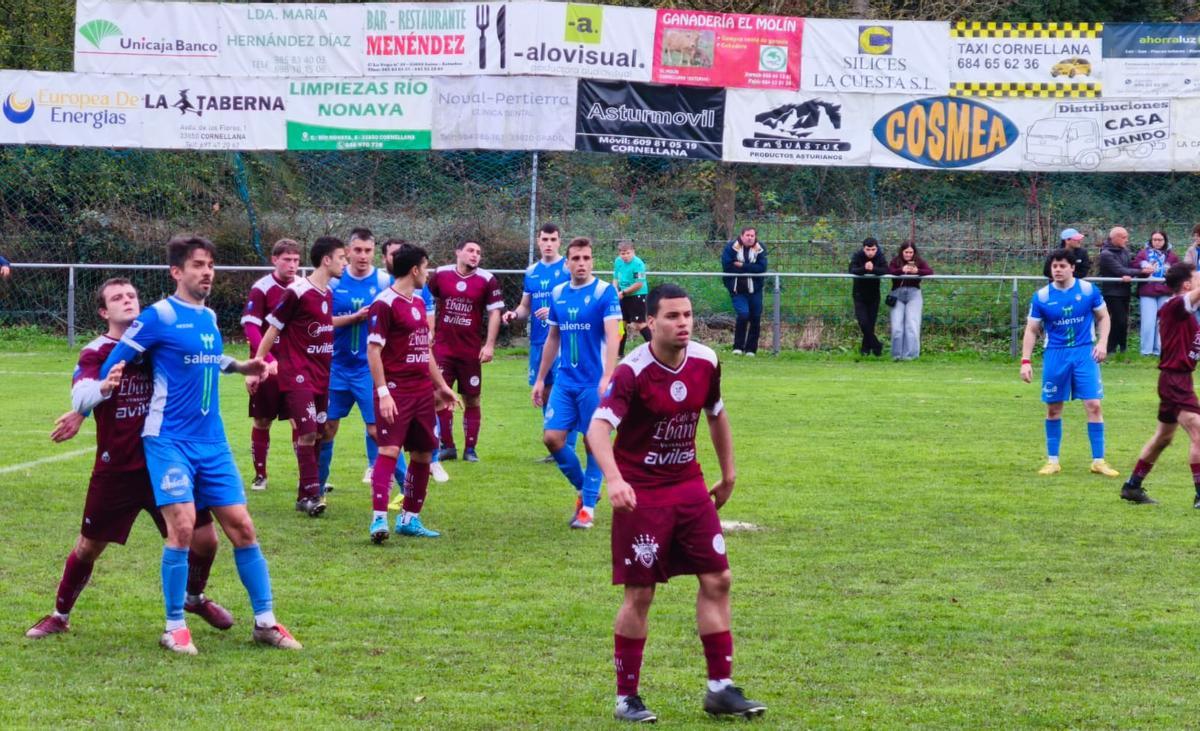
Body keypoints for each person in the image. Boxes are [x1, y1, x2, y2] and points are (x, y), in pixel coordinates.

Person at [100, 234, 299, 655]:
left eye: (210, 264)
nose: (207, 272)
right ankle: (174, 626)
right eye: (197, 265)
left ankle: (265, 623)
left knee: (243, 528)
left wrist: (242, 365)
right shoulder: (158, 316)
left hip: (213, 442)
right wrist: (103, 384)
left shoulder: (207, 318)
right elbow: (114, 358)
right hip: (168, 439)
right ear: (177, 272)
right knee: (184, 527)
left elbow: (209, 358)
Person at [587, 283, 766, 723]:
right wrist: (614, 480)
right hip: (642, 492)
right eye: (672, 316)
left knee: (718, 578)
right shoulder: (632, 371)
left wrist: (729, 473)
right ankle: (627, 697)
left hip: (688, 486)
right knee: (641, 591)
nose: (683, 322)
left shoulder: (706, 360)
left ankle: (720, 688)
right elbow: (596, 430)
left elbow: (716, 413)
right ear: (649, 323)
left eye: (687, 315)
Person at [27, 278, 231, 639]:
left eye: (133, 296)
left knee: (206, 540)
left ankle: (194, 598)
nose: (128, 301)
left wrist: (245, 368)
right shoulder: (96, 352)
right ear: (104, 311)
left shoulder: (160, 342)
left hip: (169, 460)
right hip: (118, 466)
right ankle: (59, 614)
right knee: (89, 546)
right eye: (117, 298)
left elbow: (204, 361)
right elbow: (81, 391)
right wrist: (94, 397)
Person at [366, 242, 461, 542]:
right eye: (426, 266)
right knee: (389, 451)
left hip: (422, 393)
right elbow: (373, 350)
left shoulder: (419, 302)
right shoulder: (385, 303)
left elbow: (425, 350)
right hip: (396, 391)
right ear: (415, 269)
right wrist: (383, 392)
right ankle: (378, 519)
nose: (428, 272)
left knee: (422, 454)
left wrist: (442, 387)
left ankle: (410, 518)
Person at [254, 237, 348, 518]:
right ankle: (311, 495)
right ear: (326, 260)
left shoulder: (327, 294)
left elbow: (320, 329)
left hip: (321, 375)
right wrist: (259, 364)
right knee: (307, 432)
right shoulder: (297, 291)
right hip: (297, 375)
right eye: (342, 257)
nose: (346, 263)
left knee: (318, 433)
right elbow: (272, 328)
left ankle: (304, 494)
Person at [533, 236, 621, 530]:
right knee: (552, 438)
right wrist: (541, 378)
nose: (581, 263)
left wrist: (609, 375)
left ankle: (588, 510)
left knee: (593, 441)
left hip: (593, 382)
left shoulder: (604, 293)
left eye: (586, 258)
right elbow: (553, 338)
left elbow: (613, 336)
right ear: (567, 262)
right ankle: (585, 489)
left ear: (592, 261)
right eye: (576, 259)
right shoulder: (558, 293)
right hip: (564, 381)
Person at [1020, 249, 1119, 478]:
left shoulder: (1087, 290)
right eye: (1054, 266)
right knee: (1054, 408)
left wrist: (1102, 343)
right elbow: (1032, 329)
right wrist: (1026, 361)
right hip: (1056, 354)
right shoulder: (1042, 296)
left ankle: (1098, 461)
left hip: (1085, 352)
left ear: (1072, 268)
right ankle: (1053, 461)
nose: (1058, 270)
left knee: (1094, 405)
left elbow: (1104, 317)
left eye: (1063, 266)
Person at [1119, 262, 1200, 506]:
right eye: (1197, 278)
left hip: (1176, 379)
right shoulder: (1176, 305)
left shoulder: (1183, 312)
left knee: (1163, 437)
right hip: (1175, 380)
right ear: (1186, 284)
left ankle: (1132, 486)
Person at [426, 239, 504, 462]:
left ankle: (470, 449)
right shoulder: (440, 274)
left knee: (472, 399)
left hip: (470, 352)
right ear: (458, 252)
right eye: (470, 250)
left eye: (478, 252)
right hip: (442, 349)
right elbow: (424, 301)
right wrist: (428, 331)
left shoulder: (487, 280)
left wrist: (489, 345)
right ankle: (447, 446)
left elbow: (495, 313)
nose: (475, 255)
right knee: (439, 396)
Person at [503, 223, 573, 462]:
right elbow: (525, 306)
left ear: (559, 241)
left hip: (564, 341)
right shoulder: (531, 271)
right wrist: (514, 314)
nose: (549, 244)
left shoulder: (567, 268)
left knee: (565, 390)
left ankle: (566, 447)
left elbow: (577, 304)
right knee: (544, 391)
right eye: (545, 239)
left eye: (553, 239)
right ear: (538, 241)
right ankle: (556, 447)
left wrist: (554, 312)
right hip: (538, 342)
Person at [240, 239, 302, 491]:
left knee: (301, 421)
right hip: (268, 368)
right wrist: (267, 360)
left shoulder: (301, 287)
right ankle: (260, 475)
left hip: (295, 367)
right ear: (274, 260)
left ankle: (306, 476)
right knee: (262, 420)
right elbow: (252, 327)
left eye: (296, 260)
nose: (292, 264)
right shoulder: (261, 288)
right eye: (287, 259)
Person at [1097, 226, 1154, 354]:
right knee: (1118, 320)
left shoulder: (1124, 251)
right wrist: (1141, 271)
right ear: (1115, 238)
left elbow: (1130, 267)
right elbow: (1120, 271)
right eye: (1124, 237)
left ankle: (1122, 349)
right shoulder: (1106, 254)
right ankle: (1109, 349)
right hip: (1112, 292)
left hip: (1124, 290)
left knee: (1122, 322)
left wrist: (1145, 269)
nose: (1127, 240)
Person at [720, 227, 767, 356]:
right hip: (737, 290)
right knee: (743, 314)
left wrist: (742, 266)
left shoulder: (760, 248)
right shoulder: (730, 248)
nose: (750, 238)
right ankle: (738, 347)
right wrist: (751, 269)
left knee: (755, 318)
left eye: (752, 235)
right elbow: (728, 267)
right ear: (741, 236)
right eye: (747, 235)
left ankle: (751, 350)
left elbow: (762, 268)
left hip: (755, 291)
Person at [1132, 230, 1178, 357]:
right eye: (1154, 240)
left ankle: (1159, 351)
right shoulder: (1143, 253)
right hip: (1148, 291)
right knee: (1148, 321)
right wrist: (1144, 268)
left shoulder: (1172, 256)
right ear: (1151, 241)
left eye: (1160, 240)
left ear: (1165, 241)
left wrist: (1171, 272)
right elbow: (1135, 265)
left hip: (1165, 291)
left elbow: (1178, 271)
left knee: (1162, 321)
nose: (1157, 242)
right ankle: (1146, 351)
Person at [887, 241, 933, 361]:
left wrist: (917, 271)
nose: (908, 255)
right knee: (897, 327)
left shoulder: (919, 262)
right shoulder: (895, 261)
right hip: (897, 294)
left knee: (912, 325)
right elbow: (889, 271)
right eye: (906, 252)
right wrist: (902, 269)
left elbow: (929, 272)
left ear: (914, 252)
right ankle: (896, 356)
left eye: (911, 252)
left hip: (914, 295)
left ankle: (911, 356)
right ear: (902, 252)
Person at [849, 237, 886, 356]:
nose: (870, 252)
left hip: (874, 295)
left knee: (870, 323)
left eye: (873, 249)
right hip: (859, 295)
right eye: (868, 249)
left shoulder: (880, 256)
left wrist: (873, 269)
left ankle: (865, 350)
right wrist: (864, 268)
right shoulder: (857, 255)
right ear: (863, 248)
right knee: (863, 322)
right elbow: (852, 270)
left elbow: (886, 269)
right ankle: (876, 345)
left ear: (877, 248)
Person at [613, 240, 650, 356]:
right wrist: (615, 289)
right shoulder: (618, 262)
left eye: (628, 253)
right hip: (622, 295)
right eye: (623, 253)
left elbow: (639, 283)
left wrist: (623, 292)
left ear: (633, 252)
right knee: (620, 323)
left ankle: (656, 349)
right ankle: (619, 353)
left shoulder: (639, 264)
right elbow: (615, 278)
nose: (625, 256)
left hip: (637, 295)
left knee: (639, 324)